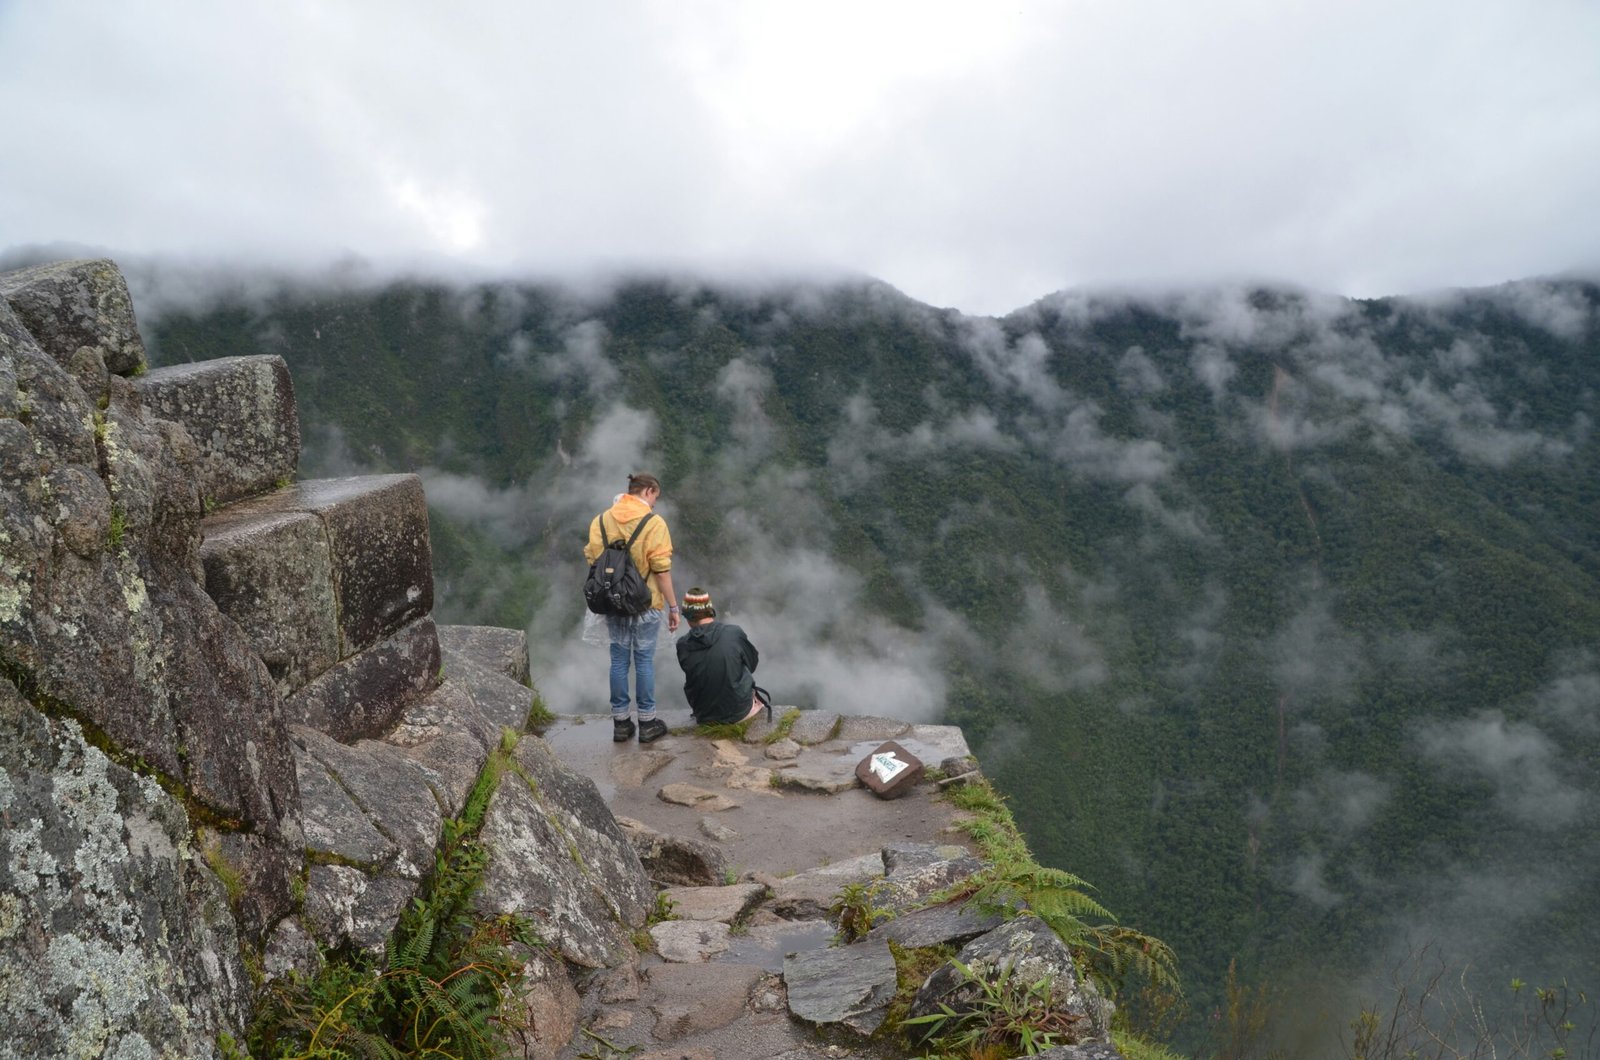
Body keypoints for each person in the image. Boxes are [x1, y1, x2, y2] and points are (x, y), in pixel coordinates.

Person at [585, 473, 680, 743]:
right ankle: (648, 724)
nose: (655, 504)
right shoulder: (654, 523)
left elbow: (593, 558)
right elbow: (661, 570)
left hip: (613, 602)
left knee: (618, 660)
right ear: (648, 491)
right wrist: (674, 607)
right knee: (643, 661)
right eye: (655, 498)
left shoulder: (601, 520)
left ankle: (621, 724)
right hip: (646, 603)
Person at [675, 587, 766, 726]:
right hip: (739, 712)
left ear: (687, 617)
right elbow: (752, 663)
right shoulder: (734, 633)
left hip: (704, 716)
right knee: (739, 664)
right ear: (710, 611)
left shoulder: (682, 644)